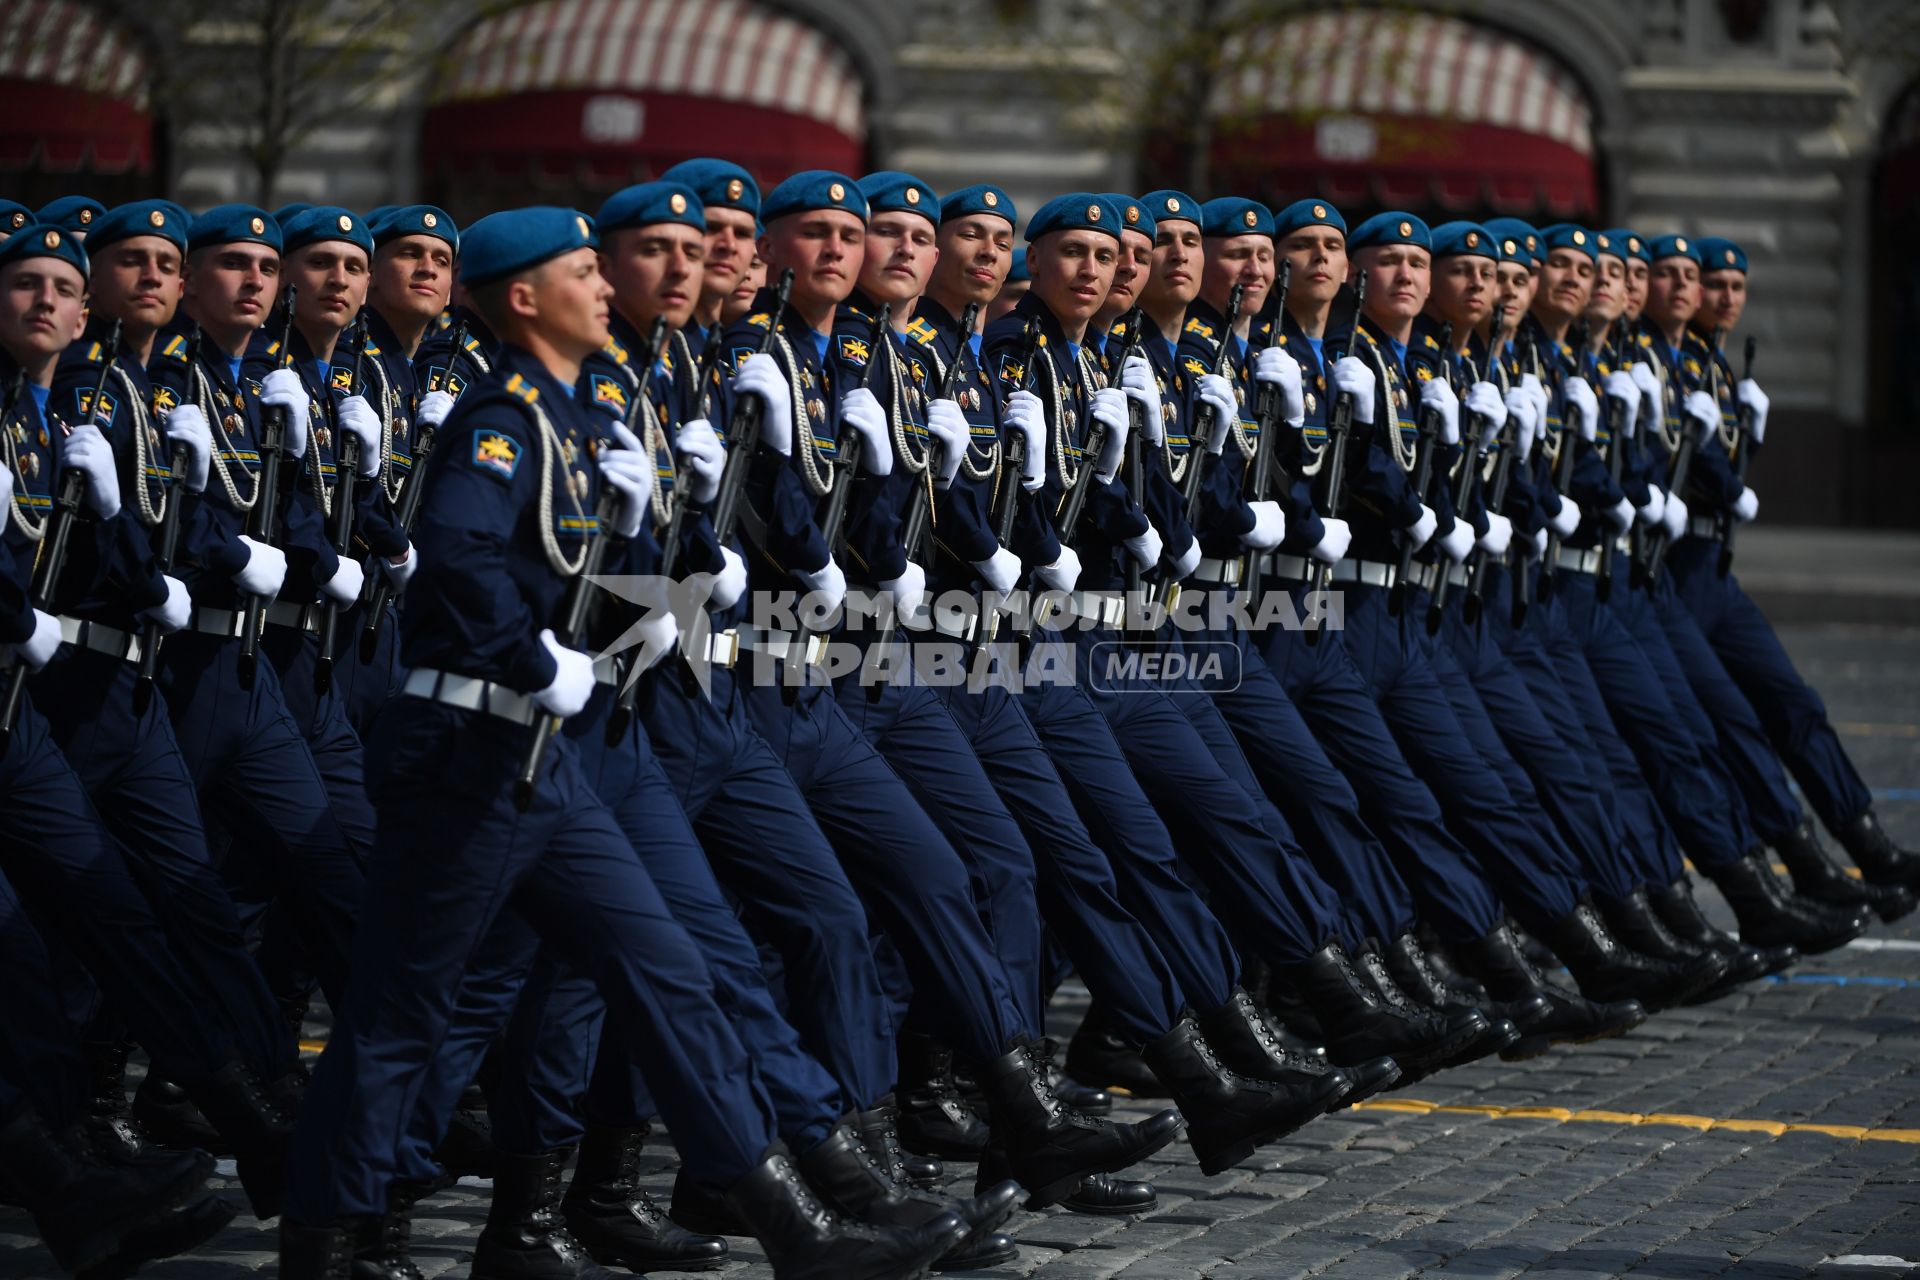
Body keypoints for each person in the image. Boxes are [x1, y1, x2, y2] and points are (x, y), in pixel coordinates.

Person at [279, 205, 968, 1280]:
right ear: (522, 299)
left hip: (564, 758)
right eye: (581, 274)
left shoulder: (589, 413)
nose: (605, 288)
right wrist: (530, 653)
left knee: (671, 971)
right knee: (404, 1013)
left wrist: (654, 532)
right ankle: (331, 1244)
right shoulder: (498, 419)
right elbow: (456, 557)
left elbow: (611, 587)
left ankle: (801, 1228)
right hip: (467, 753)